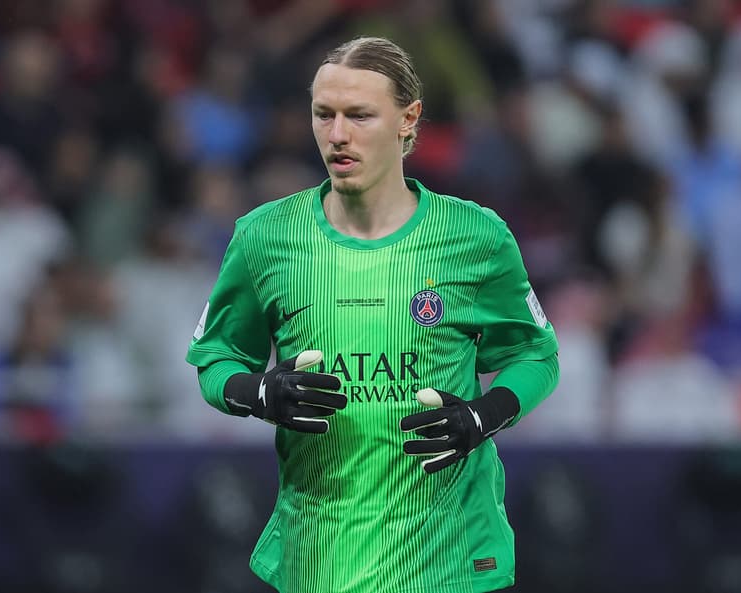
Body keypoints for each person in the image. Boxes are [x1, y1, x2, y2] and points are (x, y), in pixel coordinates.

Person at [186, 36, 560, 593]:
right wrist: (257, 392)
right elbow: (215, 359)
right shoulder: (264, 237)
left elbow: (536, 355)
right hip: (319, 559)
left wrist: (484, 416)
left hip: (449, 560)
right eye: (324, 115)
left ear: (408, 120)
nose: (337, 134)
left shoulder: (476, 236)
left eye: (359, 115)